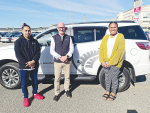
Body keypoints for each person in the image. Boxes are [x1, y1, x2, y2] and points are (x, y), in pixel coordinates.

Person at [14, 23, 44, 107]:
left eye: (29, 30)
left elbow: (38, 52)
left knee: (35, 81)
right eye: (26, 30)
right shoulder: (18, 42)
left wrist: (33, 61)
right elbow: (18, 55)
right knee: (24, 83)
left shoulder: (34, 41)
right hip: (24, 67)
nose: (28, 32)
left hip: (34, 65)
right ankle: (25, 97)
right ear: (22, 31)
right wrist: (27, 63)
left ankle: (35, 93)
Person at [99, 22, 125, 101]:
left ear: (117, 28)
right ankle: (107, 91)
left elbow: (120, 51)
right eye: (111, 27)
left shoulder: (120, 36)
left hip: (116, 62)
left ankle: (113, 92)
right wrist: (102, 61)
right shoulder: (105, 37)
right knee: (107, 78)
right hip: (106, 62)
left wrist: (111, 62)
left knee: (114, 78)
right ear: (109, 28)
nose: (112, 29)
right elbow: (101, 49)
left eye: (114, 27)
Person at [50, 22, 74, 101]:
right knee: (57, 78)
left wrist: (66, 56)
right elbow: (52, 50)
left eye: (63, 27)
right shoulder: (54, 38)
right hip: (57, 61)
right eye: (60, 27)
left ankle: (67, 90)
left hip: (67, 61)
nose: (61, 29)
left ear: (65, 28)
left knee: (67, 77)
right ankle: (57, 93)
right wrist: (60, 57)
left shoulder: (69, 37)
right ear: (57, 28)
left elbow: (71, 49)